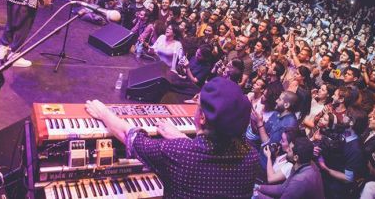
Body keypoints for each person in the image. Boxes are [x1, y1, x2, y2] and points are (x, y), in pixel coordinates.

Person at [85, 77, 260, 199]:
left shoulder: (178, 153)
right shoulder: (251, 156)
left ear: (202, 118)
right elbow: (212, 160)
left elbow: (129, 136)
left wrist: (104, 113)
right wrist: (182, 138)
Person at [256, 136, 326, 199]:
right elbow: (282, 188)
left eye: (289, 150)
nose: (286, 150)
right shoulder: (302, 163)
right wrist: (258, 187)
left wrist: (255, 195)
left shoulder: (300, 180)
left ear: (296, 157)